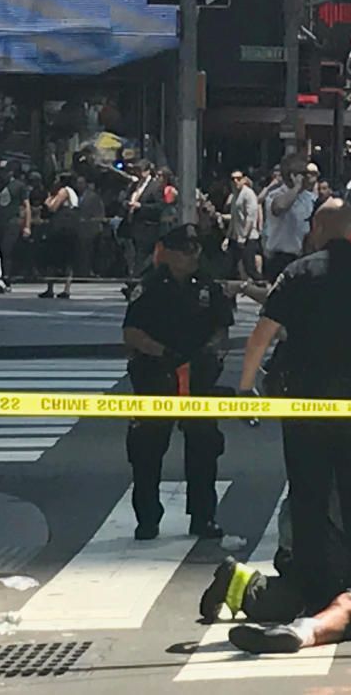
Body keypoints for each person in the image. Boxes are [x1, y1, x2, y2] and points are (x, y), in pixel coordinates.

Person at [239, 199, 351, 612]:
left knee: (309, 498)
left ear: (316, 231)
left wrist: (246, 388)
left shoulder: (297, 274)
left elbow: (260, 336)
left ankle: (316, 592)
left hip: (305, 410)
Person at [199, 381, 351, 624]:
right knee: (319, 603)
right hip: (321, 536)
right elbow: (347, 510)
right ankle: (240, 584)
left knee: (347, 599)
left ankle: (243, 583)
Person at [122, 224, 233, 540]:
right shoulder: (151, 286)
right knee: (147, 450)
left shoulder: (207, 286)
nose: (191, 255)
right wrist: (163, 353)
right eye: (184, 249)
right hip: (157, 374)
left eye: (194, 249)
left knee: (204, 448)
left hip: (197, 378)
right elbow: (131, 333)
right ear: (167, 252)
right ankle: (147, 518)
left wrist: (209, 353)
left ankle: (203, 517)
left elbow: (222, 328)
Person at [262, 155, 316, 283]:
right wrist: (296, 188)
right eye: (303, 173)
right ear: (293, 175)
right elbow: (279, 207)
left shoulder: (310, 198)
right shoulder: (275, 195)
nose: (308, 177)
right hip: (282, 259)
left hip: (304, 258)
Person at [0, 162, 30, 292]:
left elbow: (26, 205)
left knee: (7, 250)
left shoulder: (19, 186)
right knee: (1, 251)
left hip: (12, 221)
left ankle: (6, 279)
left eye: (5, 172)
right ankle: (2, 277)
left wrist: (27, 225)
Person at [39, 179, 80, 299]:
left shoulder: (64, 191)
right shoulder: (65, 193)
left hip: (64, 229)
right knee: (54, 259)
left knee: (64, 259)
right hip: (62, 228)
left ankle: (64, 289)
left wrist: (49, 199)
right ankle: (52, 288)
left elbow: (52, 207)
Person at [224, 169, 262, 281]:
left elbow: (251, 217)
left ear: (244, 180)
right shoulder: (235, 195)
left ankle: (262, 287)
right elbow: (234, 218)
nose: (235, 181)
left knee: (250, 268)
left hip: (248, 238)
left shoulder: (248, 194)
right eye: (233, 179)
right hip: (236, 237)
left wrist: (244, 236)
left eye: (238, 179)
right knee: (231, 267)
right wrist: (227, 237)